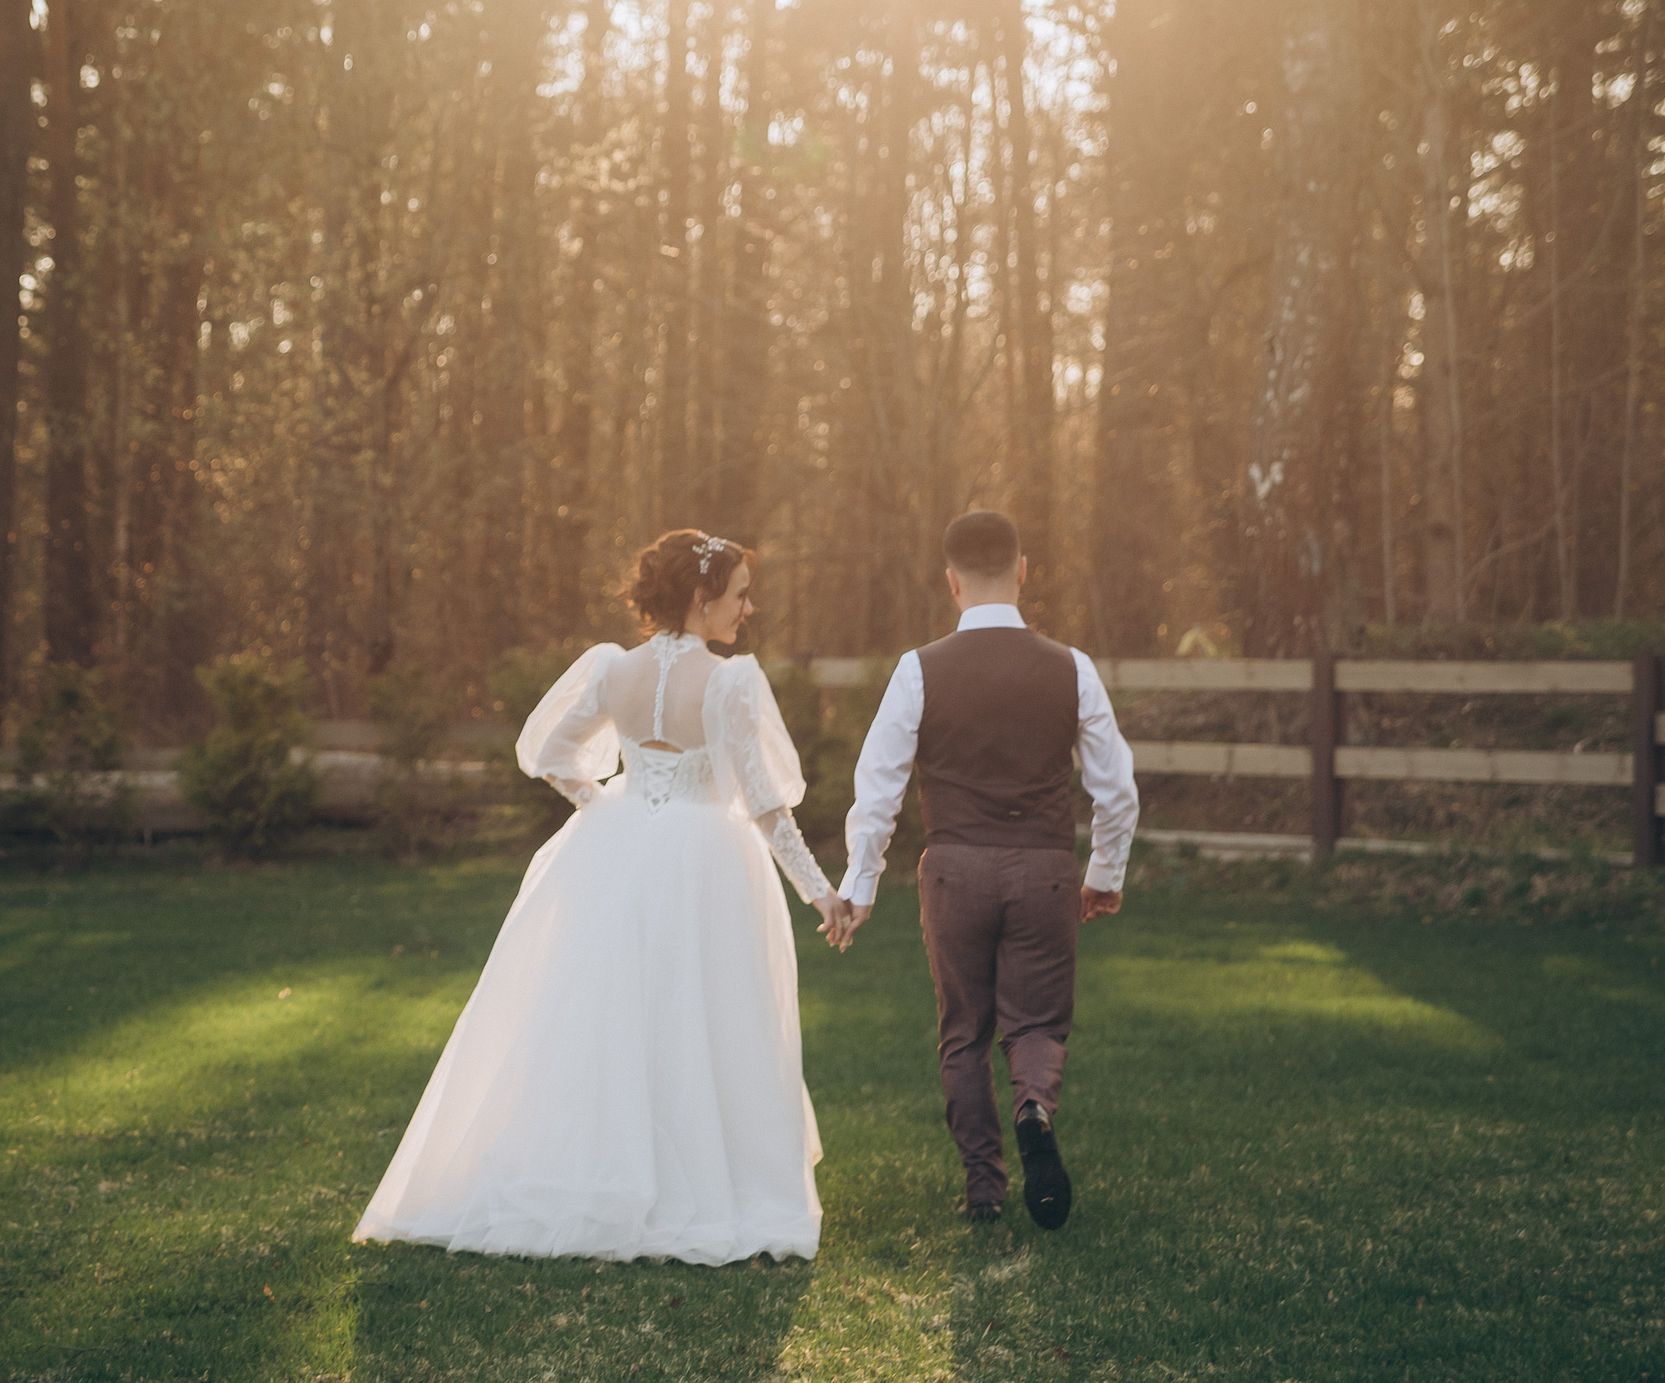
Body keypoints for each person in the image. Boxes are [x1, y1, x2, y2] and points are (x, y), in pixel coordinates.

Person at [354, 531, 853, 1264]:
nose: (749, 607)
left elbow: (551, 754)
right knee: (703, 1014)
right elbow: (768, 808)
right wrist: (822, 893)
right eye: (741, 593)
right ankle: (703, 1185)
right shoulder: (730, 682)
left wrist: (606, 806)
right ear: (700, 597)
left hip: (617, 844)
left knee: (608, 1015)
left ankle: (592, 1171)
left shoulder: (612, 668)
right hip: (706, 856)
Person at [831, 510, 1139, 1229]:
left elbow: (877, 785)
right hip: (1045, 870)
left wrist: (861, 882)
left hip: (954, 871)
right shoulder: (1072, 667)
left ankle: (984, 1188)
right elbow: (1116, 788)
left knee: (963, 1030)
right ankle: (1033, 1105)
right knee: (1036, 1022)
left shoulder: (919, 668)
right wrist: (1106, 873)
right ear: (1023, 569)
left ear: (951, 580)